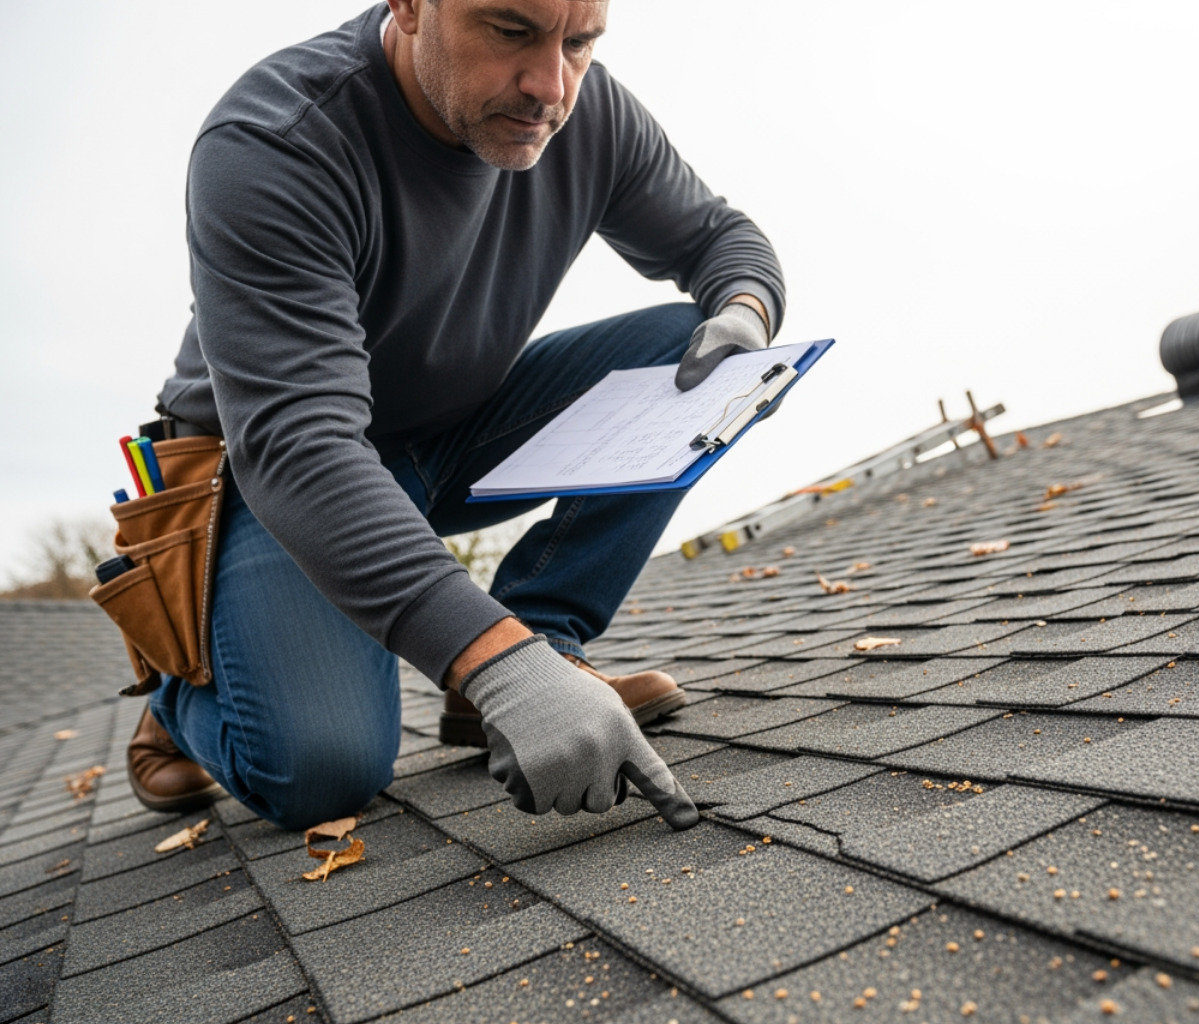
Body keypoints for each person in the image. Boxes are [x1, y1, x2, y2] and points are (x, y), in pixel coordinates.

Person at [125, 0, 785, 833]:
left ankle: (549, 639)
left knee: (704, 354)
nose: (551, 85)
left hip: (454, 437)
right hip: (271, 476)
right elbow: (301, 447)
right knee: (322, 774)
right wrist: (494, 664)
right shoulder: (276, 138)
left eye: (578, 43)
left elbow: (720, 238)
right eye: (511, 31)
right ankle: (183, 689)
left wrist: (747, 312)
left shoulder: (590, 111)